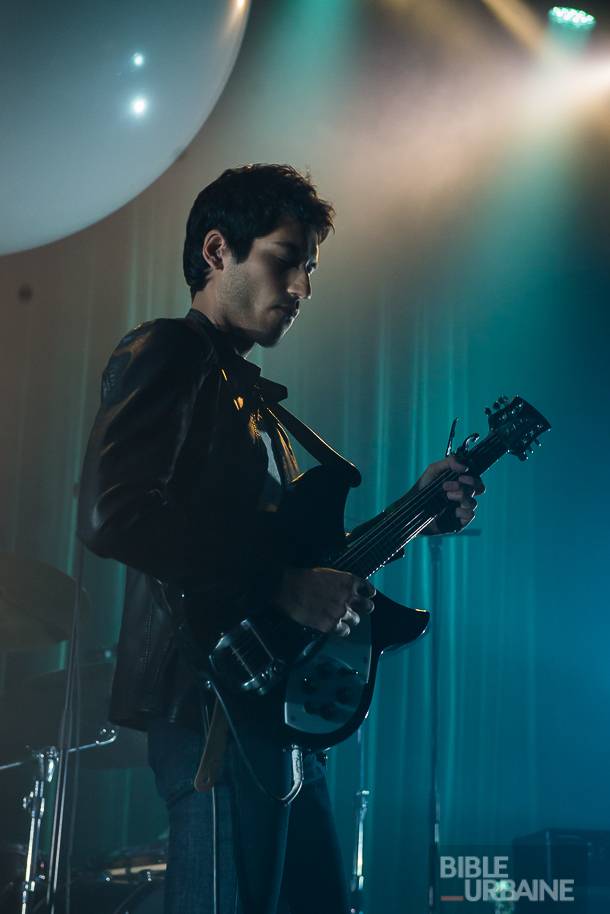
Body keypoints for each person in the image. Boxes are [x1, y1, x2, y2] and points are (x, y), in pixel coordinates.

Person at [78, 164, 484, 914]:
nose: (300, 287)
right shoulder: (168, 352)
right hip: (212, 706)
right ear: (215, 250)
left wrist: (422, 509)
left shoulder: (257, 409)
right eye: (283, 258)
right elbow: (114, 514)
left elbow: (299, 563)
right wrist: (281, 587)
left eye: (310, 268)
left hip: (274, 708)